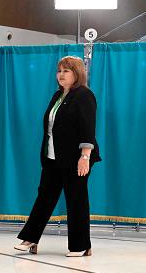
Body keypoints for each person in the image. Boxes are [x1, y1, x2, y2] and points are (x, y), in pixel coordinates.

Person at [15, 56, 101, 257]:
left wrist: (85, 157)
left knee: (76, 200)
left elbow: (88, 128)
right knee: (44, 198)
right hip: (52, 158)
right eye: (59, 71)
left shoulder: (84, 95)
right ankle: (31, 238)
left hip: (76, 159)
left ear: (77, 73)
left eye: (66, 71)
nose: (61, 75)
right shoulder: (57, 96)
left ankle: (81, 245)